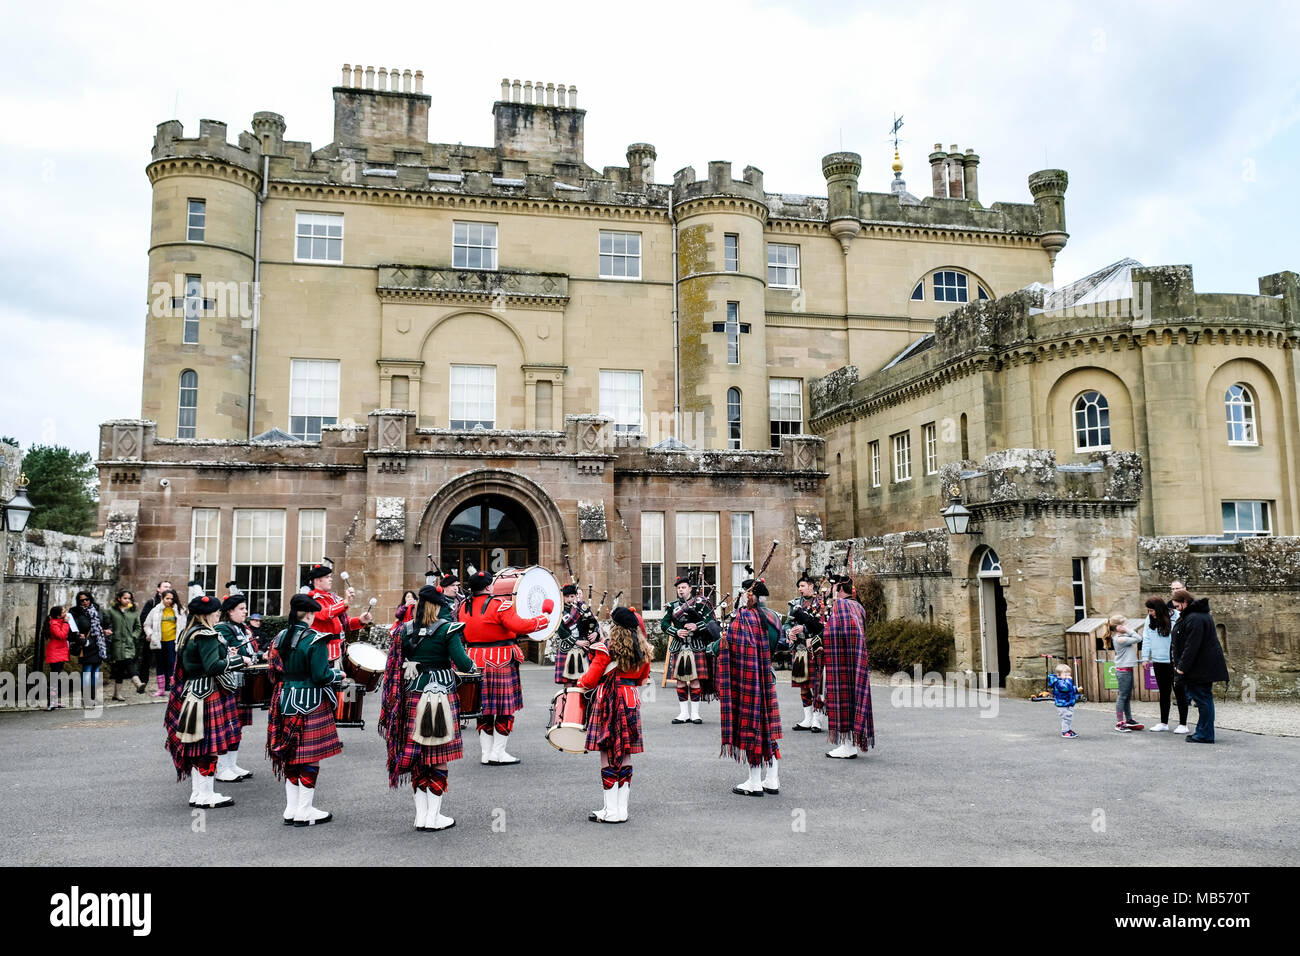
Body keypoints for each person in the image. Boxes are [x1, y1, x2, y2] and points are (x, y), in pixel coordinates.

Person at [378, 585, 476, 831]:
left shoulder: (404, 630)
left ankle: (420, 817)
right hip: (440, 694)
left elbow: (394, 664)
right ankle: (434, 817)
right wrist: (471, 664)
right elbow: (463, 662)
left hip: (412, 693)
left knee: (419, 758)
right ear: (438, 606)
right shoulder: (447, 629)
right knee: (439, 756)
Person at [457, 571, 553, 765]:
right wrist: (543, 618)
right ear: (487, 587)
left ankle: (487, 753)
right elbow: (520, 626)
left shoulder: (463, 607)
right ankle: (498, 753)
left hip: (475, 660)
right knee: (504, 709)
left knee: (482, 709)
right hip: (500, 662)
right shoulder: (500, 605)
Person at [163, 595, 247, 809]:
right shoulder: (206, 635)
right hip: (208, 694)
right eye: (216, 612)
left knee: (196, 745)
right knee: (208, 748)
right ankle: (207, 794)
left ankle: (197, 793)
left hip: (192, 692)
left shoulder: (187, 633)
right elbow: (213, 667)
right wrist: (238, 660)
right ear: (206, 614)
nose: (218, 615)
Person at [267, 593, 343, 826]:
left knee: (291, 754)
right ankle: (305, 810)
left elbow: (272, 672)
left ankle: (291, 809)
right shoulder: (314, 639)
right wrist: (337, 674)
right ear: (310, 615)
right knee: (310, 756)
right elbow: (321, 675)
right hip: (310, 701)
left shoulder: (279, 637)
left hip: (284, 698)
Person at [578, 606, 652, 823]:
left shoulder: (606, 648)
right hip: (630, 699)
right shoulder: (644, 649)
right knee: (625, 752)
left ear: (615, 627)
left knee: (607, 752)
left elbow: (590, 680)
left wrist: (579, 683)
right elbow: (641, 679)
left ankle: (610, 811)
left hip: (609, 700)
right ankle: (621, 810)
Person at [710, 581, 783, 795]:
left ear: (750, 595)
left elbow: (730, 643)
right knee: (767, 728)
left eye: (744, 593)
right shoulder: (773, 617)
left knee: (752, 727)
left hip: (748, 676)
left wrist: (714, 643)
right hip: (767, 675)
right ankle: (772, 779)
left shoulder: (745, 618)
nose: (741, 597)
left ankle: (754, 782)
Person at [822, 576, 875, 759]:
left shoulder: (842, 605)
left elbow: (840, 631)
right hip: (855, 659)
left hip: (842, 660)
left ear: (839, 588)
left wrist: (822, 639)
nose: (830, 590)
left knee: (842, 700)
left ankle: (847, 745)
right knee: (854, 700)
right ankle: (849, 743)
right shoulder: (857, 606)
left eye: (833, 587)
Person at [1171, 589, 1229, 744]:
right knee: (1204, 700)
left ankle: (1204, 734)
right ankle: (1203, 732)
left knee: (1203, 700)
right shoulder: (1197, 615)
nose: (1176, 609)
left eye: (1177, 606)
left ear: (1184, 602)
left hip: (1199, 668)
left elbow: (1192, 646)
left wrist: (1182, 667)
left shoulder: (1195, 618)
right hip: (1203, 666)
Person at [660, 576, 718, 725]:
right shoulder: (672, 606)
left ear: (690, 589)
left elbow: (712, 621)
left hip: (696, 645)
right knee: (680, 681)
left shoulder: (701, 603)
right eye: (679, 588)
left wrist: (697, 626)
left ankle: (695, 713)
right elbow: (664, 624)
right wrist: (676, 632)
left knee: (695, 680)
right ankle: (683, 713)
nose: (681, 590)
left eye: (683, 587)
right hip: (679, 646)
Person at [214, 594, 258, 782]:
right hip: (228, 682)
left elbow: (249, 650)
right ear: (230, 611)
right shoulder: (223, 628)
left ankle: (232, 764)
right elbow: (233, 650)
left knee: (237, 725)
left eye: (245, 608)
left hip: (242, 681)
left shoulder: (241, 628)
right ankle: (221, 767)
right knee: (227, 725)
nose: (245, 612)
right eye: (241, 608)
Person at [784, 571, 826, 732]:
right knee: (802, 684)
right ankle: (807, 718)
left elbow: (822, 625)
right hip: (800, 648)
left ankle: (817, 719)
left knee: (817, 685)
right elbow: (787, 623)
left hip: (815, 648)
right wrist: (789, 632)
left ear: (811, 586)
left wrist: (804, 627)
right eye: (799, 586)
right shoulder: (795, 603)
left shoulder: (821, 603)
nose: (800, 589)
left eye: (802, 586)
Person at [304, 564, 373, 662]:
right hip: (324, 651)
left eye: (330, 577)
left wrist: (360, 620)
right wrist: (345, 602)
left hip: (339, 649)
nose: (331, 579)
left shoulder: (333, 598)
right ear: (317, 580)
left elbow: (346, 624)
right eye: (327, 577)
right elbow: (325, 614)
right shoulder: (312, 599)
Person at [1140, 596, 1179, 732]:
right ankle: (1163, 723)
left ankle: (1183, 724)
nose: (1150, 613)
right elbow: (1147, 639)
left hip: (1173, 661)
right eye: (1149, 610)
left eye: (1152, 610)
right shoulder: (1149, 619)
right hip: (1158, 660)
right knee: (1163, 692)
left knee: (1179, 692)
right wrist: (1145, 657)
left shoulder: (1175, 616)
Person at [552, 583, 599, 686]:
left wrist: (596, 632)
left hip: (583, 648)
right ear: (563, 597)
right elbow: (561, 631)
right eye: (567, 596)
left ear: (576, 596)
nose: (569, 599)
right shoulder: (560, 611)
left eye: (572, 596)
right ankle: (567, 701)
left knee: (583, 681)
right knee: (568, 682)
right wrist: (577, 642)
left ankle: (580, 702)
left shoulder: (582, 608)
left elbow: (593, 622)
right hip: (567, 648)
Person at [103, 588, 146, 700]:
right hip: (116, 643)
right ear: (119, 599)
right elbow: (105, 623)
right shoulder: (111, 611)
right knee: (121, 667)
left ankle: (134, 685)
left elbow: (138, 627)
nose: (127, 600)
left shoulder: (134, 612)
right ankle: (133, 685)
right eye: (125, 598)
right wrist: (108, 632)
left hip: (129, 643)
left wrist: (133, 636)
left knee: (127, 662)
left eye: (129, 598)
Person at [143, 589, 185, 698]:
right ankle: (161, 689)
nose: (169, 601)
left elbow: (184, 627)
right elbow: (146, 624)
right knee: (160, 665)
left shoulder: (180, 610)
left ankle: (173, 688)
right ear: (162, 598)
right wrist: (150, 634)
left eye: (172, 599)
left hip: (173, 642)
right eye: (167, 598)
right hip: (159, 642)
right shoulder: (155, 610)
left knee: (172, 665)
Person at [69, 591, 107, 707]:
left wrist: (106, 630)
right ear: (78, 601)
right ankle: (86, 698)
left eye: (87, 599)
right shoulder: (75, 612)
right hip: (85, 645)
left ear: (90, 599)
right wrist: (78, 636)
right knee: (87, 671)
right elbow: (72, 629)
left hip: (98, 644)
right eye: (82, 600)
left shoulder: (97, 609)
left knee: (95, 672)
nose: (85, 602)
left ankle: (93, 697)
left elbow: (106, 622)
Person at [1109, 614, 1144, 732]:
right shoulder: (1120, 639)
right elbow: (1139, 638)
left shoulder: (1122, 637)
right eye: (1126, 624)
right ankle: (1119, 722)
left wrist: (1126, 630)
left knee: (1127, 696)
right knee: (1122, 696)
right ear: (1119, 627)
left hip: (1127, 670)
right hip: (1123, 671)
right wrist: (1128, 630)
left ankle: (1129, 720)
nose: (1128, 626)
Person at [38, 606, 72, 710]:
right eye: (63, 612)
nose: (66, 613)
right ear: (58, 615)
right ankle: (51, 702)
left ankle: (55, 701)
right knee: (54, 678)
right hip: (55, 653)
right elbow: (61, 635)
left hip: (60, 652)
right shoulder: (53, 624)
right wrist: (66, 623)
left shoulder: (59, 622)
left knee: (57, 678)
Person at [1048, 663, 1079, 737]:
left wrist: (1075, 689)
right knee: (1066, 717)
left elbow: (1069, 689)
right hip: (1062, 703)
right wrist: (1068, 680)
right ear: (1059, 675)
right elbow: (1066, 688)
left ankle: (1068, 729)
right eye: (1065, 675)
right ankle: (1065, 731)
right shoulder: (1058, 682)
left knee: (1069, 717)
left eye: (1068, 675)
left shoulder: (1064, 681)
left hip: (1067, 702)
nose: (1067, 677)